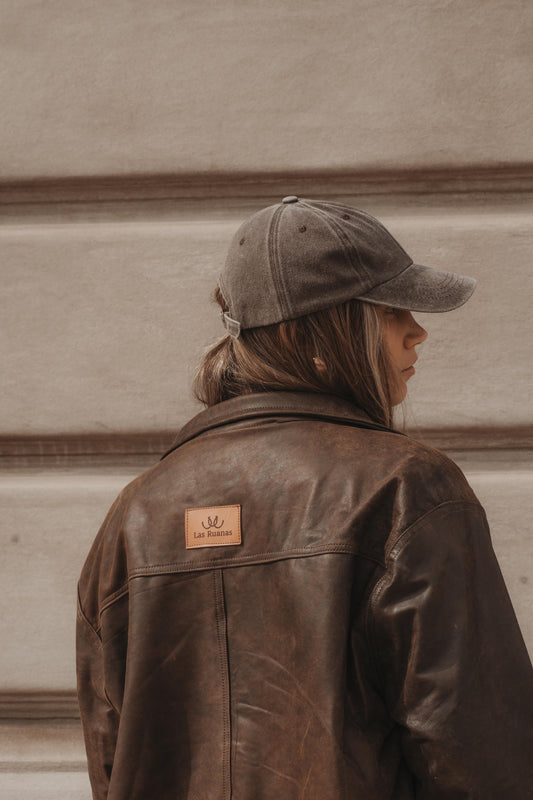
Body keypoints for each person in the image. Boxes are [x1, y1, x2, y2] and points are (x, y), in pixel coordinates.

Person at [77, 196, 533, 799]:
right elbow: (481, 753)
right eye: (389, 310)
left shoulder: (136, 513)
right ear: (308, 332)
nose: (417, 331)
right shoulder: (406, 488)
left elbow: (111, 758)